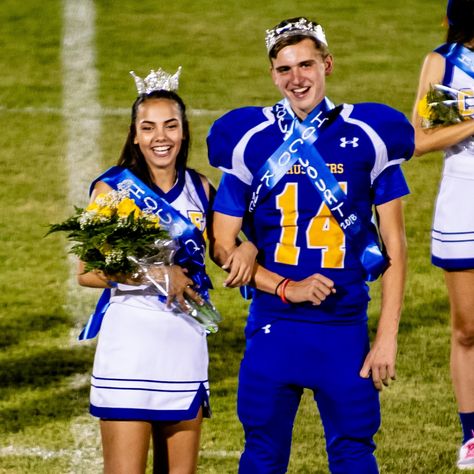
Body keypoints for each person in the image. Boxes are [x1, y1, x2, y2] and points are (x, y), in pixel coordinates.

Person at [208, 17, 414, 473]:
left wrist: (386, 338)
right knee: (261, 454)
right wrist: (258, 262)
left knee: (355, 453)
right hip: (273, 326)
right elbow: (221, 243)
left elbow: (396, 247)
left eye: (306, 64)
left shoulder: (372, 133)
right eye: (284, 69)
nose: (296, 78)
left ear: (328, 64)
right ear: (272, 75)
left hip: (343, 330)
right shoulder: (247, 138)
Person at [77, 67, 214, 474]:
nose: (161, 137)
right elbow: (87, 271)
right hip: (130, 347)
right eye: (149, 127)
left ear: (184, 132)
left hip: (185, 343)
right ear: (135, 135)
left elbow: (228, 248)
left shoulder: (202, 188)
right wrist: (156, 274)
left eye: (170, 126)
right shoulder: (111, 188)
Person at [412, 0, 474, 469]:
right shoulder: (445, 61)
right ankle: (472, 436)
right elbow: (421, 139)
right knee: (468, 329)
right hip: (463, 201)